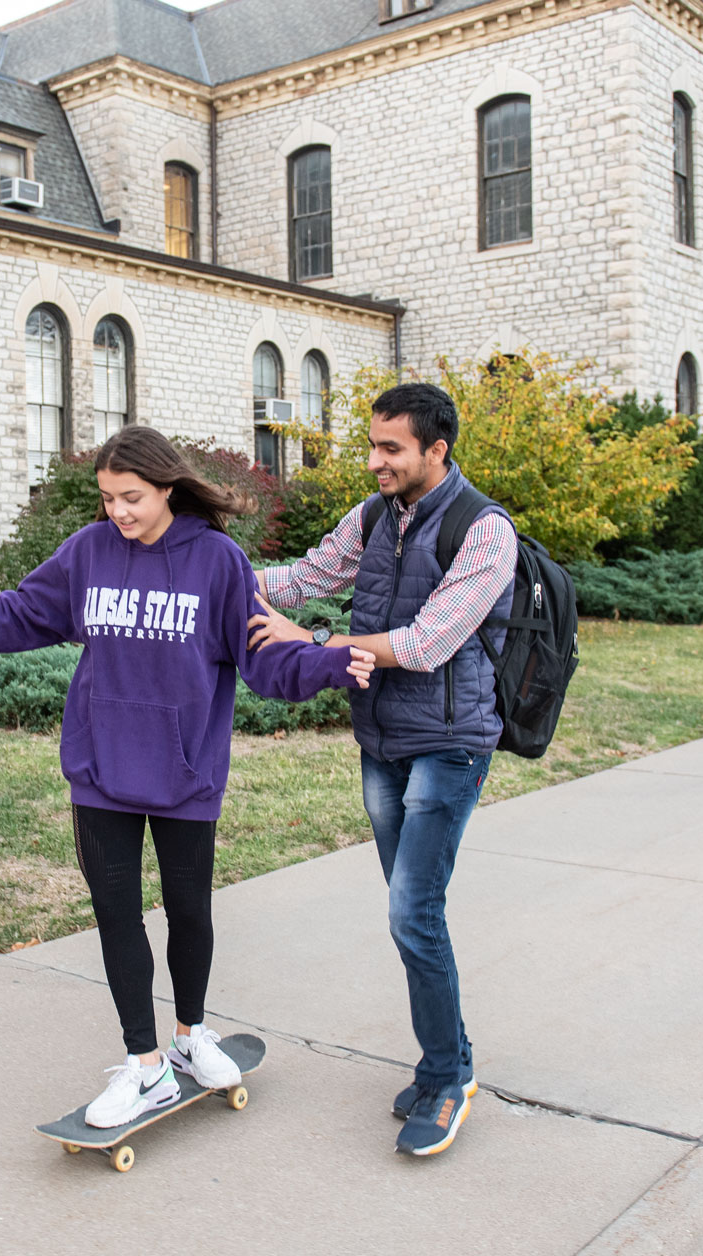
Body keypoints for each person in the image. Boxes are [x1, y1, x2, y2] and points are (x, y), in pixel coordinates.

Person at [0, 426, 373, 1129]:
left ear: (168, 488)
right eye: (108, 498)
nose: (118, 512)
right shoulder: (88, 552)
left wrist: (329, 663)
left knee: (189, 910)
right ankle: (145, 1066)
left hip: (185, 769)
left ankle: (192, 1037)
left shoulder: (217, 562)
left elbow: (262, 659)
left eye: (131, 498)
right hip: (101, 767)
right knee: (116, 915)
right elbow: (17, 615)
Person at [248, 383, 519, 1158]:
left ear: (437, 449)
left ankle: (448, 1074)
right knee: (414, 913)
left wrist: (320, 642)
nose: (374, 462)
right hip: (381, 741)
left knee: (411, 911)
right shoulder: (372, 517)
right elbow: (302, 577)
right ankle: (445, 1060)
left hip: (449, 743)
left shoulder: (484, 532)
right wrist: (203, 565)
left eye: (391, 448)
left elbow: (429, 642)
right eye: (371, 445)